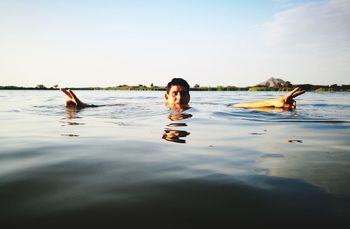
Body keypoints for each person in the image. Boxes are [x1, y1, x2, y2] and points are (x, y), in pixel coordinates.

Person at [60, 78, 305, 110]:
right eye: (175, 94)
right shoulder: (148, 111)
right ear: (165, 97)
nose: (180, 98)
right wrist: (81, 105)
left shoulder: (198, 112)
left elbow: (238, 106)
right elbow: (106, 109)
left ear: (190, 97)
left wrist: (275, 101)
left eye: (184, 94)